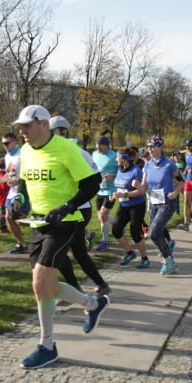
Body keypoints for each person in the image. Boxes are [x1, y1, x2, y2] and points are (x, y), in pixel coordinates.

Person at [13, 105, 109, 369]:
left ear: (44, 125)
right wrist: (20, 200)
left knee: (40, 283)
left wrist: (67, 206)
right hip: (38, 221)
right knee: (48, 286)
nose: (23, 131)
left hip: (66, 222)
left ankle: (47, 345)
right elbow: (24, 182)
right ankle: (93, 303)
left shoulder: (67, 149)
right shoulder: (25, 150)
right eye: (20, 127)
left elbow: (92, 183)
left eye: (27, 126)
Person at [49, 116, 111, 295]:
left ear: (63, 132)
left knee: (58, 250)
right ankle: (101, 284)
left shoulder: (76, 152)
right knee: (78, 251)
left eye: (51, 132)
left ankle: (74, 289)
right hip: (67, 210)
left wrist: (72, 201)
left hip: (78, 210)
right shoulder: (55, 151)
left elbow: (95, 179)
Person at [140, 134, 184, 275]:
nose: (149, 149)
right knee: (155, 234)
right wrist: (133, 187)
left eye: (152, 146)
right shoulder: (147, 165)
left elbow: (182, 181)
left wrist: (175, 193)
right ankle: (169, 259)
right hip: (154, 200)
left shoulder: (169, 164)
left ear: (160, 147)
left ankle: (169, 261)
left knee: (153, 231)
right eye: (148, 147)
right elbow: (143, 186)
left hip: (167, 201)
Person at [110, 146, 150, 269]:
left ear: (123, 158)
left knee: (134, 232)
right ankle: (129, 253)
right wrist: (115, 195)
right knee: (116, 229)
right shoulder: (120, 169)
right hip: (123, 205)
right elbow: (120, 186)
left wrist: (124, 194)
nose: (116, 158)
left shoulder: (136, 171)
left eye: (118, 156)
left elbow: (142, 191)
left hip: (137, 206)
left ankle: (144, 258)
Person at [1, 132, 29, 253]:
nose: (5, 145)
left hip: (23, 191)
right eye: (3, 143)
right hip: (12, 192)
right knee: (9, 217)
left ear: (15, 141)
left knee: (20, 220)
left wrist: (19, 182)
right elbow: (10, 173)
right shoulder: (8, 156)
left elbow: (31, 173)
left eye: (7, 143)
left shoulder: (23, 154)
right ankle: (21, 244)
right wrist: (1, 180)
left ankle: (48, 224)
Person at [92, 136, 118, 251]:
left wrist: (112, 176)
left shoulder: (114, 156)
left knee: (103, 215)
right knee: (101, 217)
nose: (98, 147)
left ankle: (105, 241)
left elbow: (123, 170)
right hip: (99, 189)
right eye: (97, 145)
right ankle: (119, 222)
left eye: (100, 145)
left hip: (111, 190)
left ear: (106, 145)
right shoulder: (94, 154)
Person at [0, 159, 10, 232]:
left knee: (2, 213)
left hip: (0, 197)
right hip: (5, 197)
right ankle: (2, 228)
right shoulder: (4, 176)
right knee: (3, 213)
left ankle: (3, 227)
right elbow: (4, 186)